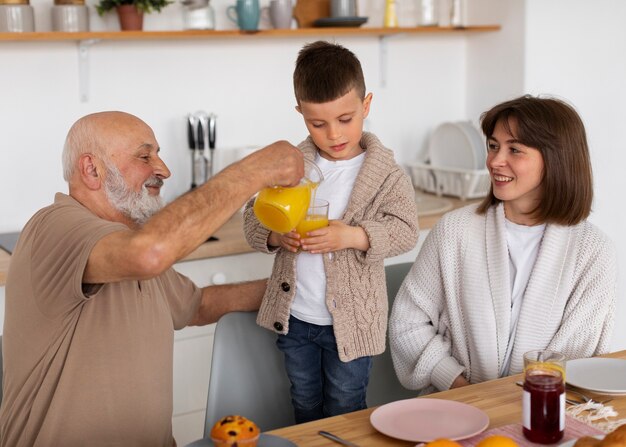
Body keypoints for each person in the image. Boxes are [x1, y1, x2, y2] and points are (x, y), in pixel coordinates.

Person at [0, 111, 304, 447]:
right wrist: (257, 170)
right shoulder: (55, 227)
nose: (163, 169)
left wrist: (295, 287)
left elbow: (198, 305)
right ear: (91, 169)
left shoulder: (126, 239)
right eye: (145, 156)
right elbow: (149, 253)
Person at [389, 95, 617, 395]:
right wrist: (461, 387)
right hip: (454, 408)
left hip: (548, 415)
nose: (495, 161)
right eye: (493, 146)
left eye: (515, 150)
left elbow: (579, 356)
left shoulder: (594, 251)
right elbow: (408, 323)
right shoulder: (455, 230)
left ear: (556, 159)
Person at [242, 41, 420, 423]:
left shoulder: (385, 174)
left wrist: (354, 236)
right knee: (304, 404)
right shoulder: (291, 166)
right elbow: (252, 217)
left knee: (345, 408)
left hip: (352, 327)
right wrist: (277, 236)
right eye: (317, 123)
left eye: (346, 119)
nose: (333, 134)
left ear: (366, 105)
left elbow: (406, 231)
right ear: (300, 114)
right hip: (297, 320)